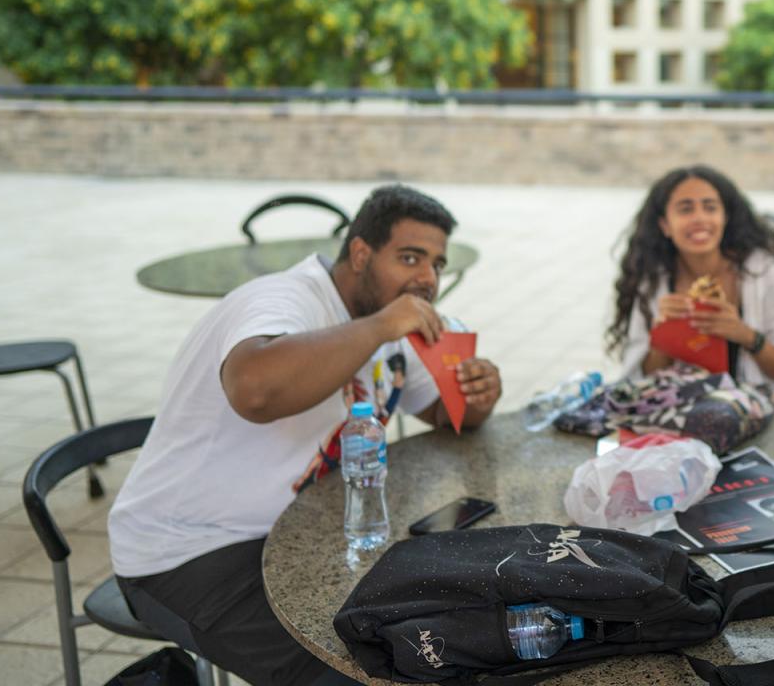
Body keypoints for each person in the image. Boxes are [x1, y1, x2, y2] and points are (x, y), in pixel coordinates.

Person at [108, 185, 503, 686]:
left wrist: (480, 394)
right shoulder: (283, 298)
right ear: (360, 254)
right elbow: (254, 390)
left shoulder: (387, 325)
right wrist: (382, 326)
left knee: (448, 637)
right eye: (410, 258)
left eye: (437, 264)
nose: (427, 278)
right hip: (188, 554)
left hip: (305, 536)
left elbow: (454, 414)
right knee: (359, 672)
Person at [608, 165, 774, 407]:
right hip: (681, 418)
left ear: (725, 218)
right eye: (686, 209)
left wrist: (746, 335)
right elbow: (640, 384)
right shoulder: (654, 281)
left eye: (710, 207)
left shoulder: (764, 273)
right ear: (665, 225)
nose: (700, 218)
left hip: (756, 417)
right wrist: (665, 336)